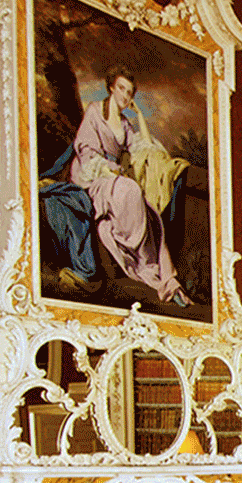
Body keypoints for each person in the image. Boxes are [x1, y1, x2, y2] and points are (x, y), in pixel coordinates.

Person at [70, 69, 192, 307]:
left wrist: (141, 117)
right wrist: (107, 168)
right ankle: (127, 246)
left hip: (114, 175)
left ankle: (148, 266)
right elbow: (85, 148)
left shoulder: (125, 124)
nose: (125, 95)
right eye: (122, 88)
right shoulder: (96, 111)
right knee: (130, 190)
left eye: (130, 92)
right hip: (92, 172)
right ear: (111, 88)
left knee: (148, 210)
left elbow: (144, 147)